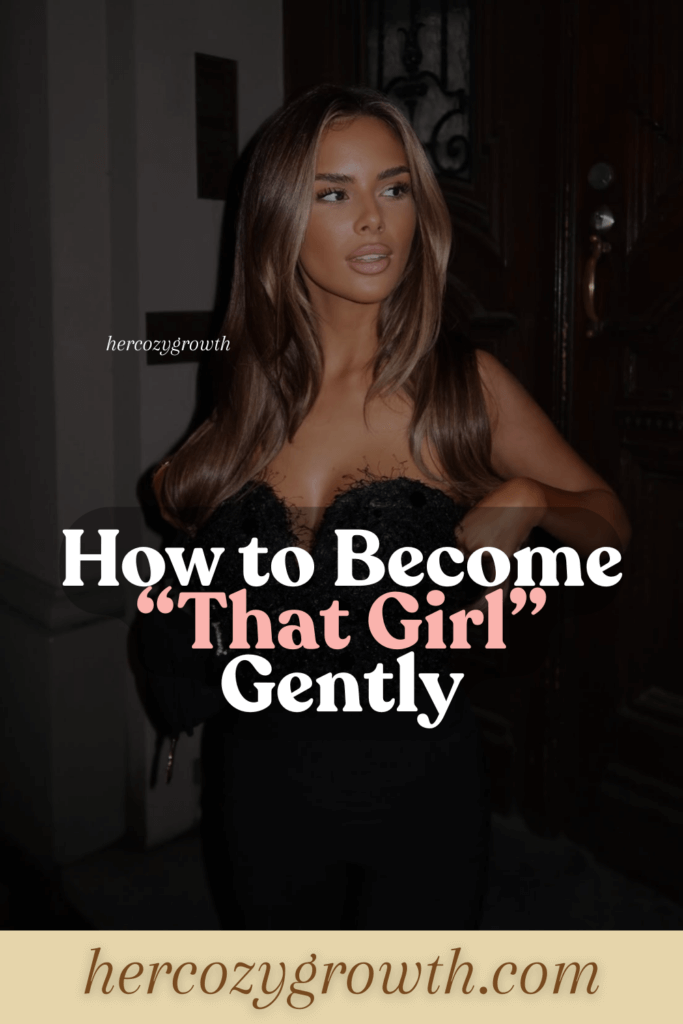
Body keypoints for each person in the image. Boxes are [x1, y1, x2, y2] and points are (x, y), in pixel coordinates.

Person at [148, 85, 631, 929]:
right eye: (332, 193)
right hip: (255, 776)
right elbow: (195, 525)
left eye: (394, 187)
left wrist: (528, 499)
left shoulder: (460, 386)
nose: (373, 219)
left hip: (418, 786)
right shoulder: (242, 377)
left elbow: (608, 524)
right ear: (277, 221)